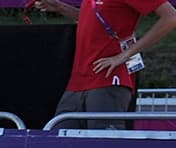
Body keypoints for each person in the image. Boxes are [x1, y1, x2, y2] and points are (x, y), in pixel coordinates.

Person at [35, 0, 176, 130]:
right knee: (61, 143)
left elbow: (171, 17)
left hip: (108, 79)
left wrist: (124, 55)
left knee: (104, 144)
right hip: (79, 80)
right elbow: (91, 20)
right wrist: (60, 7)